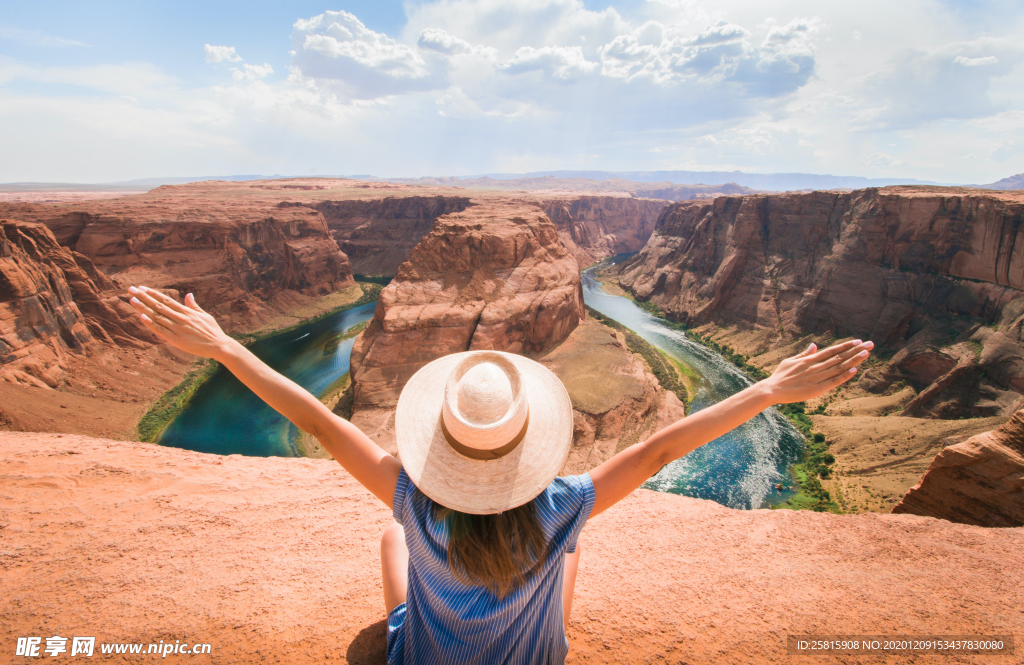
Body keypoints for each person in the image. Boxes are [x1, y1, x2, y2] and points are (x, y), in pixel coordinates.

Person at [127, 285, 873, 665]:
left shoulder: (410, 500)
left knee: (392, 544)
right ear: (526, 448)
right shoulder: (562, 507)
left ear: (443, 443)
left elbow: (323, 424)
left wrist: (225, 347)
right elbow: (656, 453)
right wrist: (771, 390)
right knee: (571, 551)